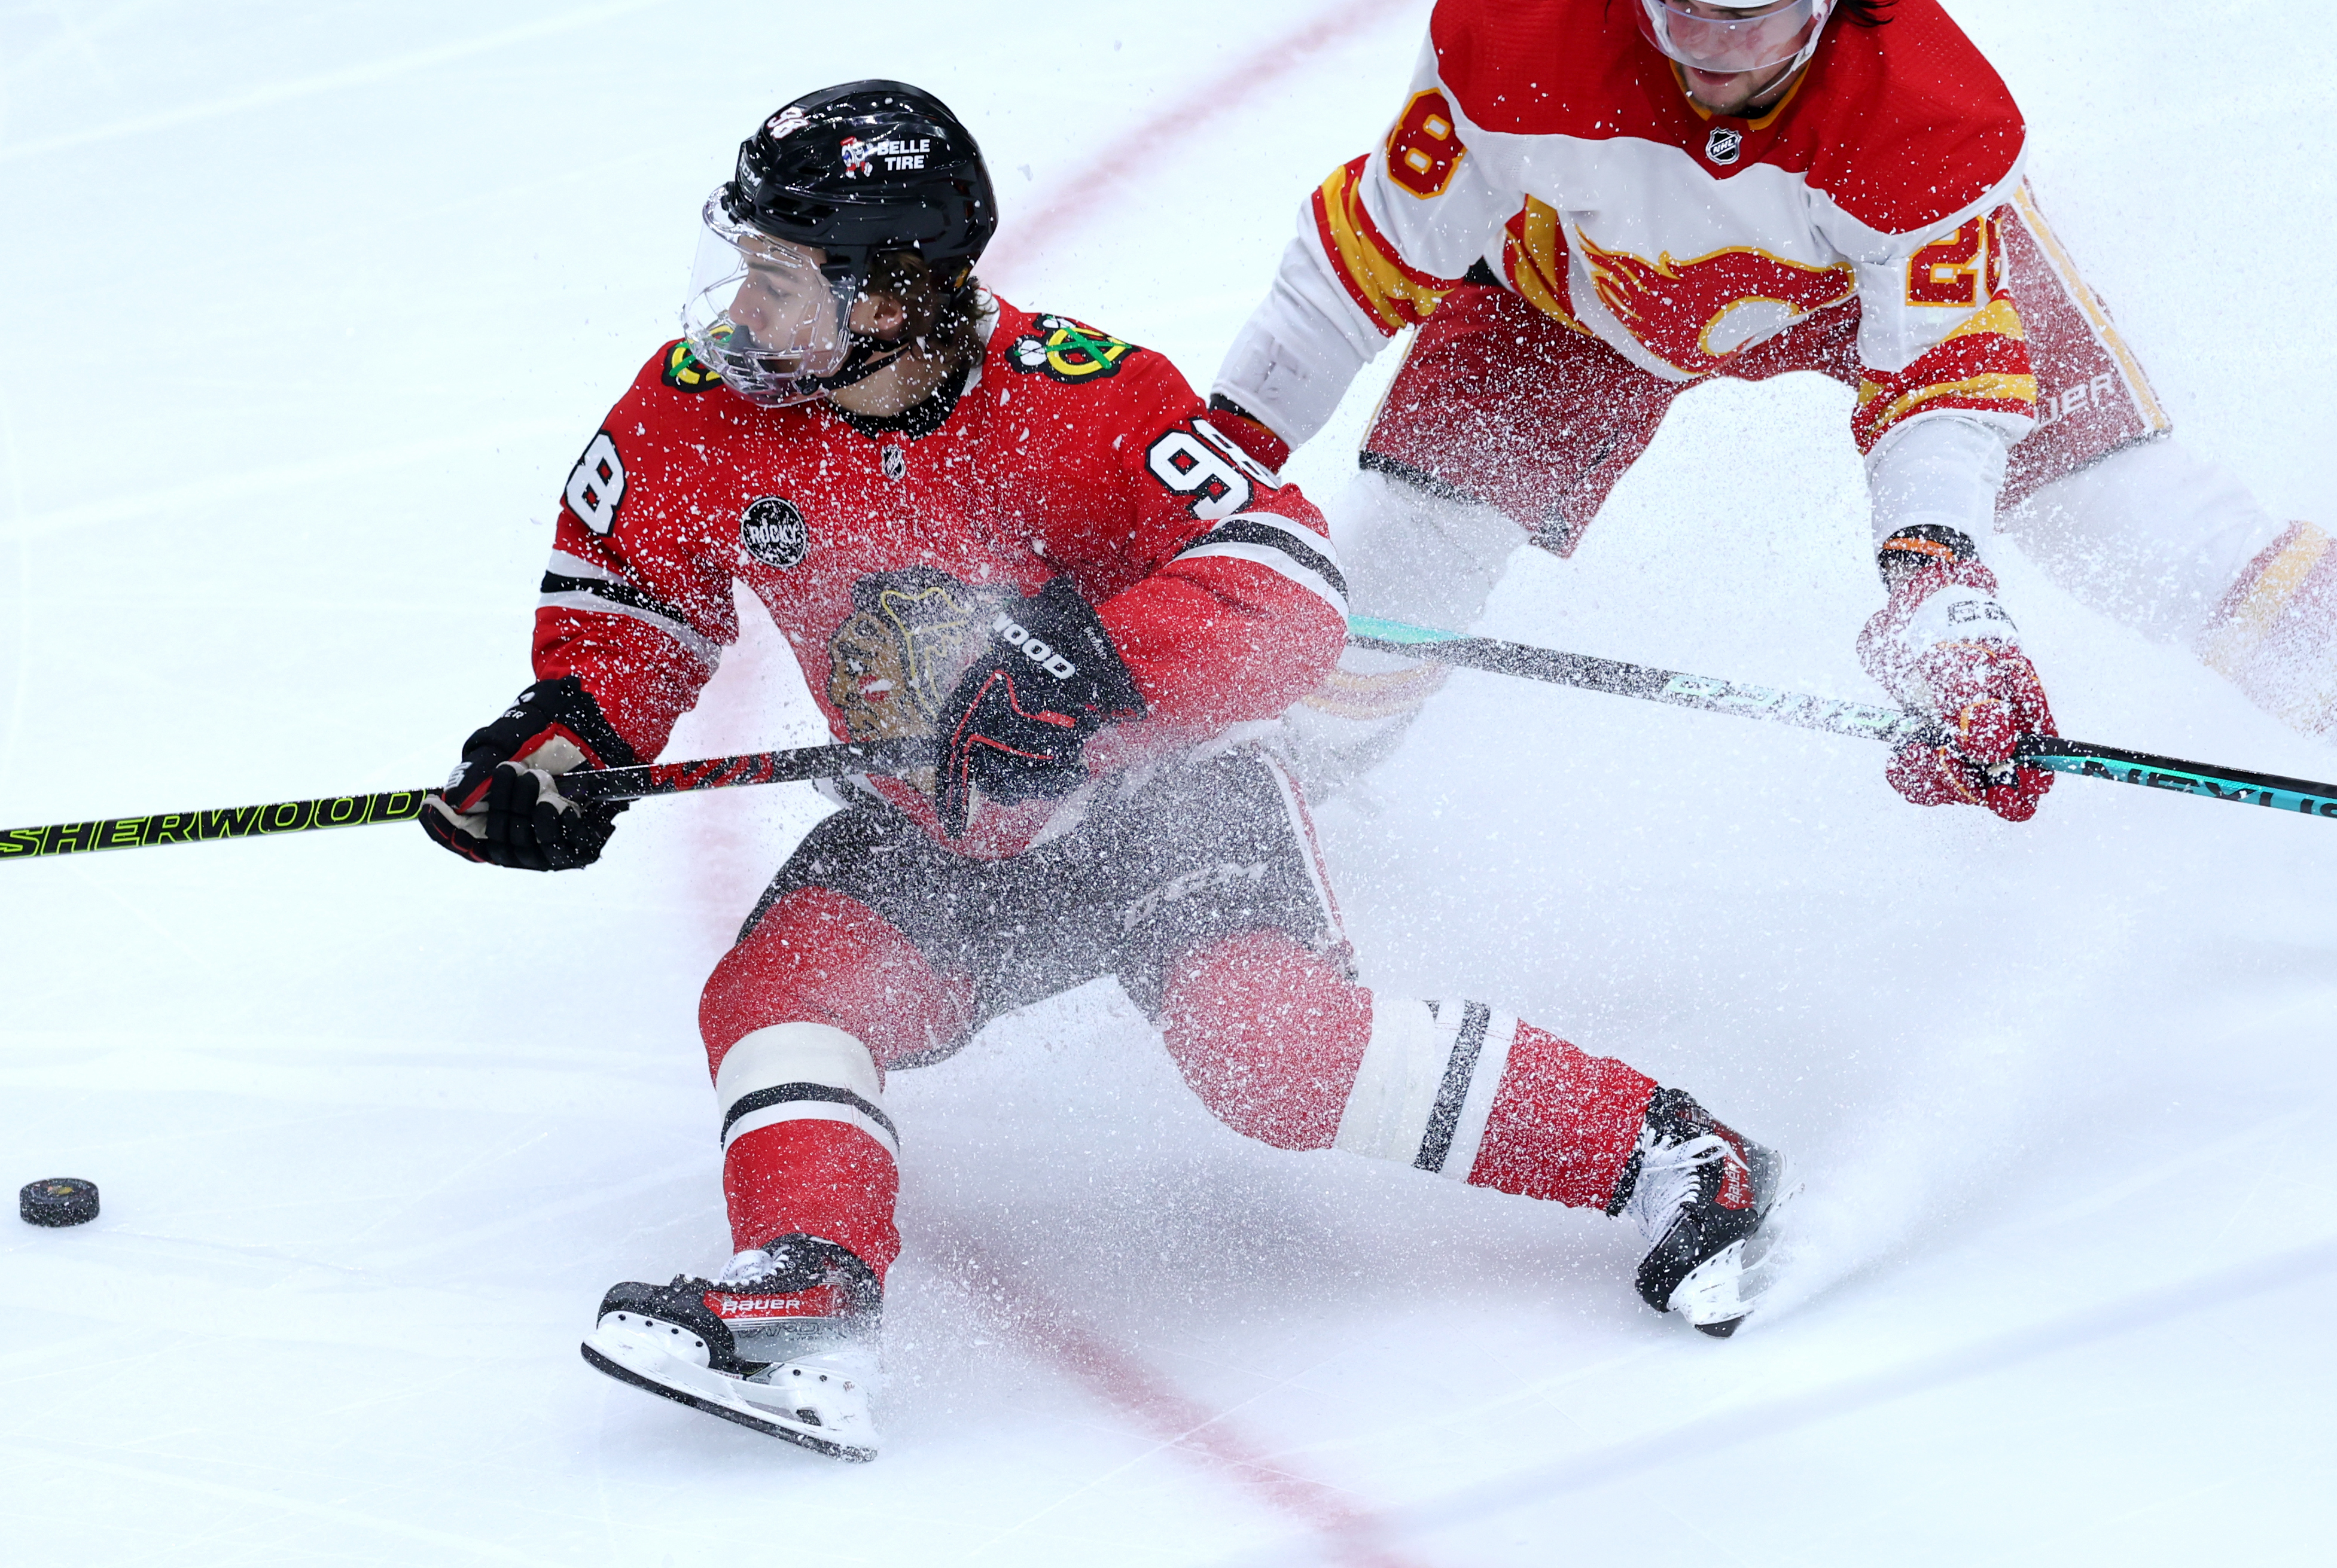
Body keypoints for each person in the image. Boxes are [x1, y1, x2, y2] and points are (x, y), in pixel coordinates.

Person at [418, 82, 1787, 1462]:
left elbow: (1291, 579)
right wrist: (566, 744)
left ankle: (1670, 1152)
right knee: (780, 993)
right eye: (747, 266)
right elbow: (633, 605)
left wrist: (1102, 672)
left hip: (1170, 798)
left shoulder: (1082, 397)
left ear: (889, 300)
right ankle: (812, 1302)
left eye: (781, 280)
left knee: (1278, 1063)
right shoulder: (697, 413)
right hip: (940, 822)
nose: (740, 316)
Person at [1199, 0, 2337, 1001]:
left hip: (1865, 287)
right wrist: (1212, 459)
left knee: (2150, 529)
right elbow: (1355, 265)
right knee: (1408, 545)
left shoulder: (1924, 113)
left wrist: (1936, 589)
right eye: (1680, 4)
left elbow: (1945, 375)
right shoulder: (1517, 43)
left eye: (1756, 13)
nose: (1710, 52)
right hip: (1576, 288)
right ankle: (1279, 791)